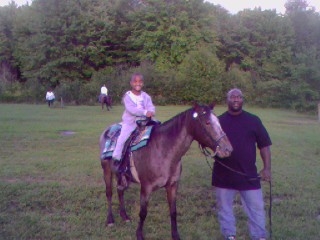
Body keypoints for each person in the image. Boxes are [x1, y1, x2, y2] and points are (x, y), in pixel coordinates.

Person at [212, 88, 272, 240]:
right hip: (223, 175)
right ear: (227, 100)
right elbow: (209, 143)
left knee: (256, 209)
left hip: (248, 175)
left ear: (243, 99)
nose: (236, 99)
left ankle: (259, 236)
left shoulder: (253, 120)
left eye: (239, 97)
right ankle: (229, 236)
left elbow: (264, 145)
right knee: (225, 209)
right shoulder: (218, 122)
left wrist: (267, 168)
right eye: (233, 97)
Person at [110, 73, 155, 173]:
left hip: (145, 121)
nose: (137, 83)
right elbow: (131, 109)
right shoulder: (128, 96)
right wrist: (144, 112)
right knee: (123, 137)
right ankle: (116, 157)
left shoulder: (146, 96)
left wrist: (151, 111)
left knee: (158, 129)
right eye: (135, 81)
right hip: (131, 122)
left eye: (140, 81)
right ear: (131, 83)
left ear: (142, 83)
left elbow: (150, 106)